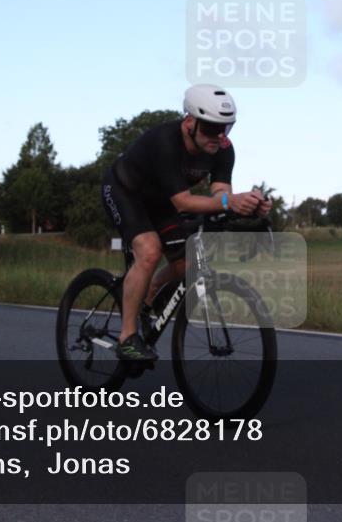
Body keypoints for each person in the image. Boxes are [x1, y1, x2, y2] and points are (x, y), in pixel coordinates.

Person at [100, 84, 271, 362]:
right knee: (149, 250)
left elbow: (220, 193)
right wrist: (229, 202)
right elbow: (183, 202)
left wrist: (248, 205)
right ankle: (127, 338)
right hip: (124, 192)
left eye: (225, 128)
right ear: (189, 121)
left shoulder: (223, 149)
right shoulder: (165, 142)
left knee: (187, 267)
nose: (219, 136)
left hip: (161, 203)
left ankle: (150, 293)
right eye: (210, 128)